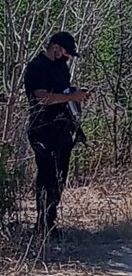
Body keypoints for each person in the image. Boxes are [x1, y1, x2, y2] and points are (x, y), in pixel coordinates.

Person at [24, 31, 90, 237]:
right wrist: (68, 96)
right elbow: (42, 98)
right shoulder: (37, 67)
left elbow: (63, 91)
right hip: (42, 129)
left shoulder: (61, 67)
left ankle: (50, 223)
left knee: (60, 177)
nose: (67, 56)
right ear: (55, 48)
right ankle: (42, 225)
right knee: (47, 176)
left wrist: (77, 94)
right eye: (65, 52)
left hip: (62, 129)